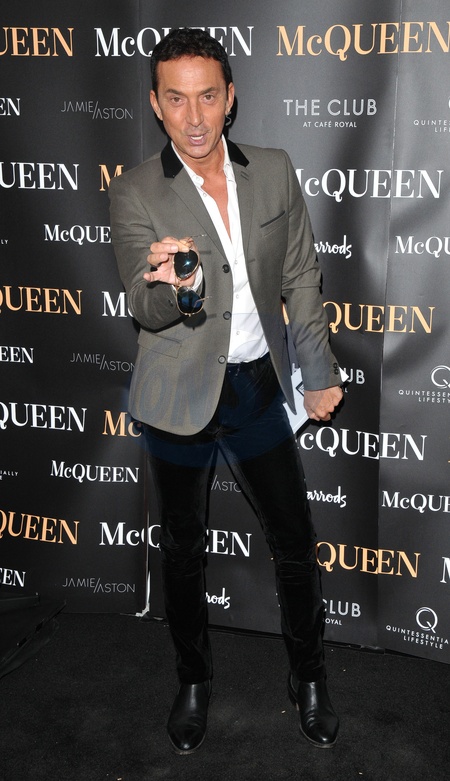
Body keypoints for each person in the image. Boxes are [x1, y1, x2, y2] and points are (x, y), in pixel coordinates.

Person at [109, 27, 343, 755]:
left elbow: (301, 275)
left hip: (256, 389)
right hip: (176, 394)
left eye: (207, 96)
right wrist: (175, 288)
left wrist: (319, 371)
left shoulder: (273, 170)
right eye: (176, 99)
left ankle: (309, 675)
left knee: (294, 540)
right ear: (156, 104)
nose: (194, 117)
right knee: (182, 550)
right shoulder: (136, 190)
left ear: (230, 97)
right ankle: (193, 680)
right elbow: (144, 307)